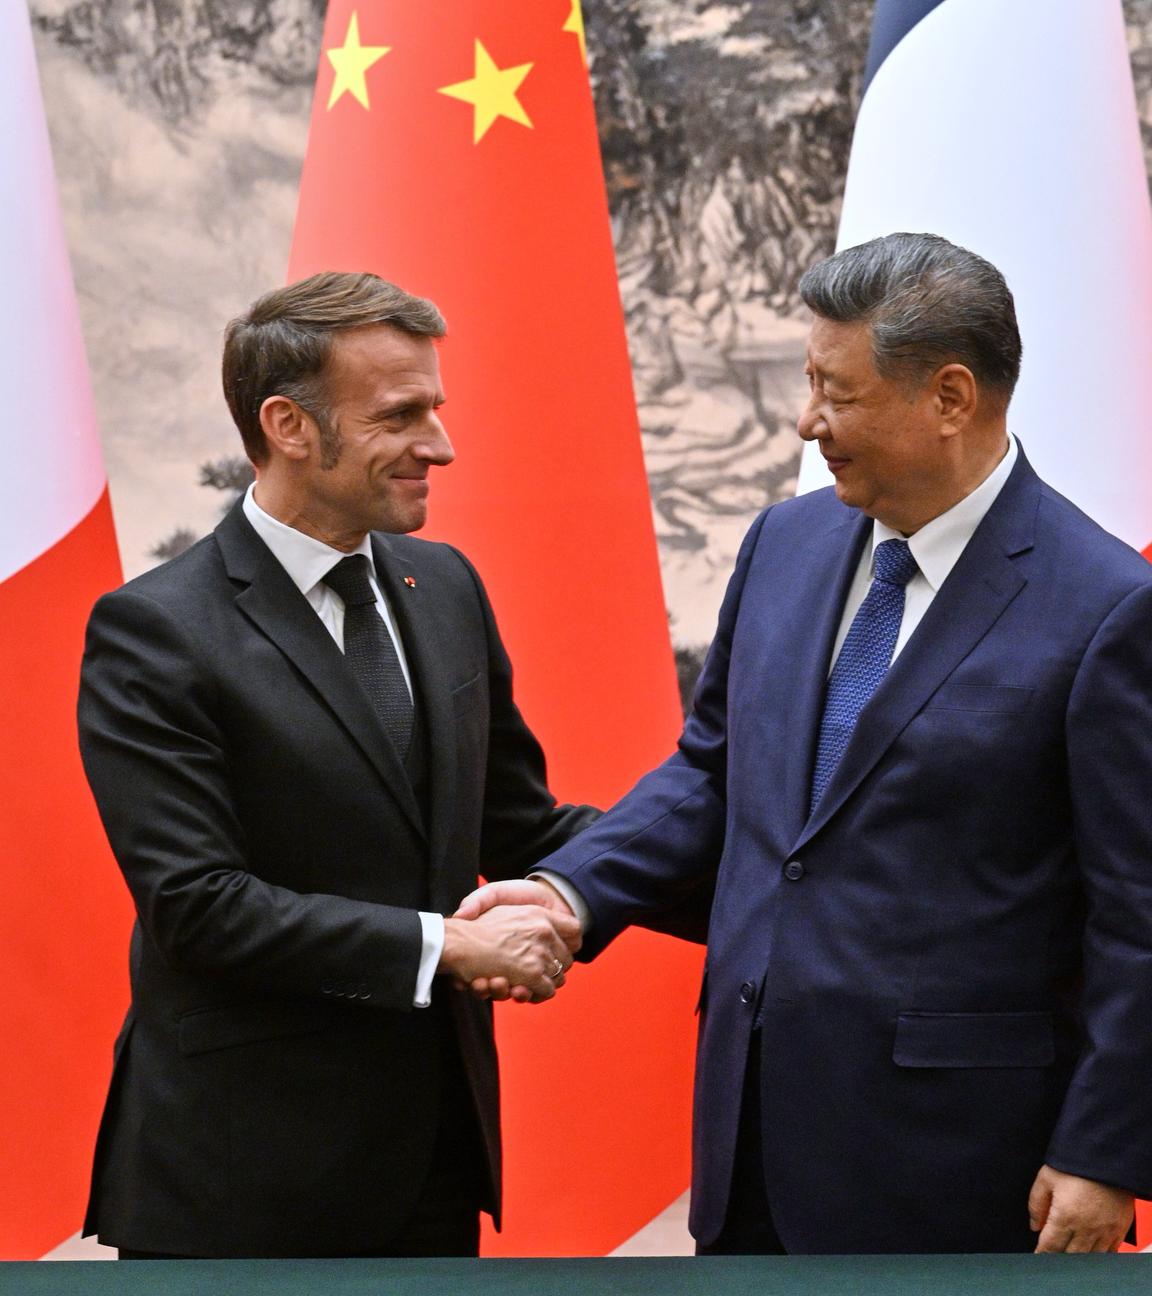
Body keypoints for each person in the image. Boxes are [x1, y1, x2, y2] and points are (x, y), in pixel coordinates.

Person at [458, 233, 1152, 1254]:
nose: (806, 421)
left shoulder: (1104, 609)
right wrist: (570, 891)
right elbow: (713, 773)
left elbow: (1138, 917)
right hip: (749, 1134)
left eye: (837, 392)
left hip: (958, 1166)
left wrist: (1104, 1152)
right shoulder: (784, 545)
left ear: (951, 398)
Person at [78, 271, 593, 1259]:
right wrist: (448, 947)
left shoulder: (443, 587)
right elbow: (198, 903)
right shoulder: (155, 631)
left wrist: (738, 861)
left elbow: (521, 825)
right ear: (289, 426)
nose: (439, 445)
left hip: (436, 1167)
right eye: (402, 415)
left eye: (435, 409)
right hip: (238, 1190)